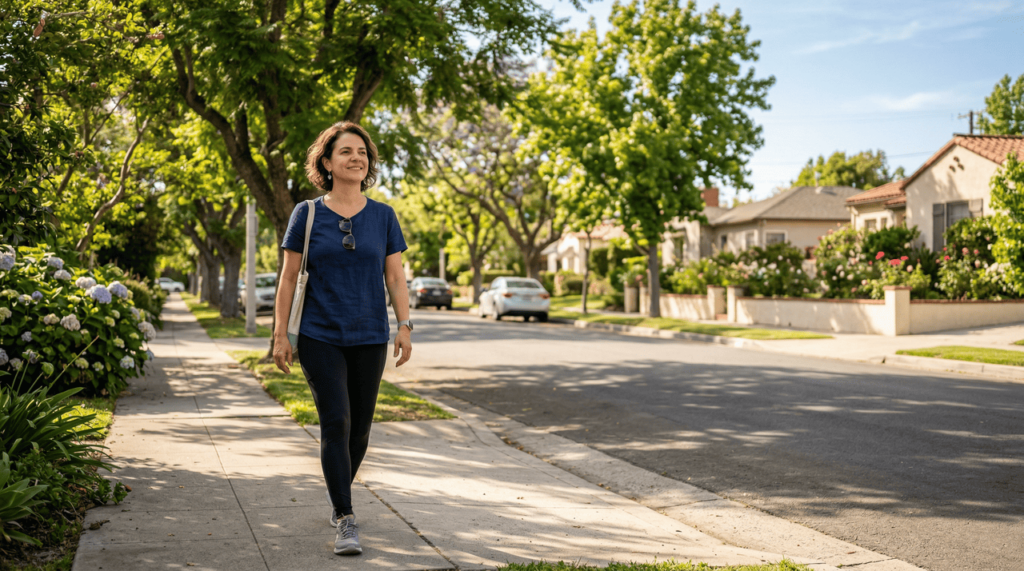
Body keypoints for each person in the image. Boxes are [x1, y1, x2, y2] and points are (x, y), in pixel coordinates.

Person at [273, 121, 412, 556]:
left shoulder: (383, 216)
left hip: (369, 335)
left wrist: (405, 325)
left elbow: (395, 276)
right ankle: (346, 516)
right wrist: (280, 334)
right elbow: (289, 277)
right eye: (346, 151)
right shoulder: (307, 213)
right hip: (319, 335)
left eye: (362, 152)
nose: (356, 158)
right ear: (328, 163)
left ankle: (338, 494)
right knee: (337, 422)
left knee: (361, 431)